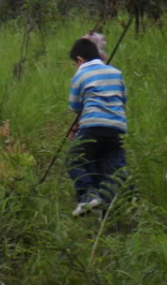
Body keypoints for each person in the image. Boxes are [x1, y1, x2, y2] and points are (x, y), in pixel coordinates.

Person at [67, 38, 128, 216]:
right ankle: (110, 208)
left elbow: (74, 106)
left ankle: (87, 196)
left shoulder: (80, 75)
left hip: (92, 125)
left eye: (74, 63)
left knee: (75, 159)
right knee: (111, 168)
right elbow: (123, 99)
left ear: (79, 60)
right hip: (116, 126)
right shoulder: (116, 72)